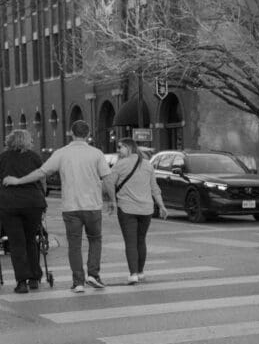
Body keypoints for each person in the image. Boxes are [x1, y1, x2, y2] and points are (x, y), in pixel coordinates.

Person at [2, 120, 110, 293]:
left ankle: (74, 282)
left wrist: (17, 182)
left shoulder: (60, 153)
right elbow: (107, 178)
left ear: (71, 134)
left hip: (58, 206)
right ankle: (89, 274)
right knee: (93, 240)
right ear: (88, 134)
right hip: (79, 205)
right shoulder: (96, 153)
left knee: (70, 245)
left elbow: (42, 173)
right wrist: (111, 200)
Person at [103, 138, 168, 284]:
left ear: (128, 147)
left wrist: (113, 200)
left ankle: (133, 274)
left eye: (120, 147)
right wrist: (162, 206)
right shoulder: (147, 165)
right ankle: (140, 272)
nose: (118, 150)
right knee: (141, 240)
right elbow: (154, 188)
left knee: (130, 242)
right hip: (146, 209)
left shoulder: (120, 165)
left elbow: (108, 182)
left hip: (127, 209)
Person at [0, 130, 46, 293]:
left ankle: (21, 282)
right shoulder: (34, 157)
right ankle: (34, 277)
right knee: (31, 240)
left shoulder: (3, 158)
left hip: (9, 204)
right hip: (33, 203)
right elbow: (42, 178)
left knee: (16, 243)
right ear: (26, 141)